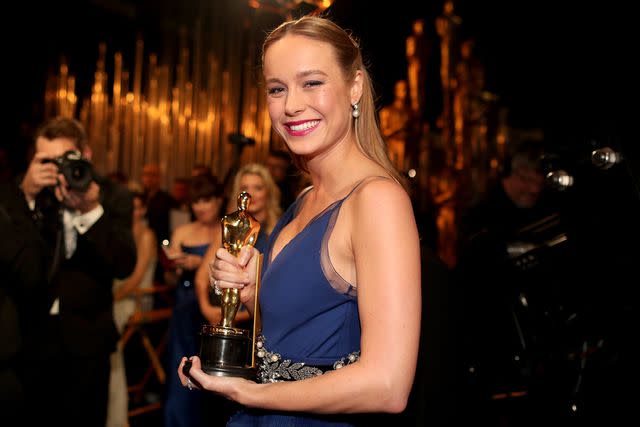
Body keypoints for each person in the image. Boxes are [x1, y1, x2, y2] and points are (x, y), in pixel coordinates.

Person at [178, 15, 422, 426]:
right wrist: (254, 287)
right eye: (277, 89)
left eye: (312, 82)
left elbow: (387, 385)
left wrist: (247, 390)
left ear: (355, 86)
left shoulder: (377, 201)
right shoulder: (306, 198)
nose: (291, 105)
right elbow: (305, 327)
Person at [15, 116, 137, 426]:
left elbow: (124, 265)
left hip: (87, 343)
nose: (58, 171)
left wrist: (90, 210)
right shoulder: (32, 193)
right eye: (47, 161)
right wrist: (26, 197)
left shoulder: (113, 196)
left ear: (86, 155)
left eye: (65, 160)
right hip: (29, 340)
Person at [163, 173, 224, 427]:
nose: (200, 206)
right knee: (181, 374)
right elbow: (167, 280)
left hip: (212, 309)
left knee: (212, 375)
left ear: (219, 200)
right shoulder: (182, 231)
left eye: (206, 200)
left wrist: (200, 265)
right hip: (183, 310)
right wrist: (174, 267)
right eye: (196, 201)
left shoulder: (227, 229)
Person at [106, 185, 157, 427]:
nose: (133, 212)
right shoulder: (120, 231)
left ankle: (116, 413)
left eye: (138, 208)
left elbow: (136, 277)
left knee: (108, 326)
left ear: (144, 209)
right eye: (130, 208)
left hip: (138, 298)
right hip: (120, 295)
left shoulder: (147, 235)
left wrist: (112, 296)